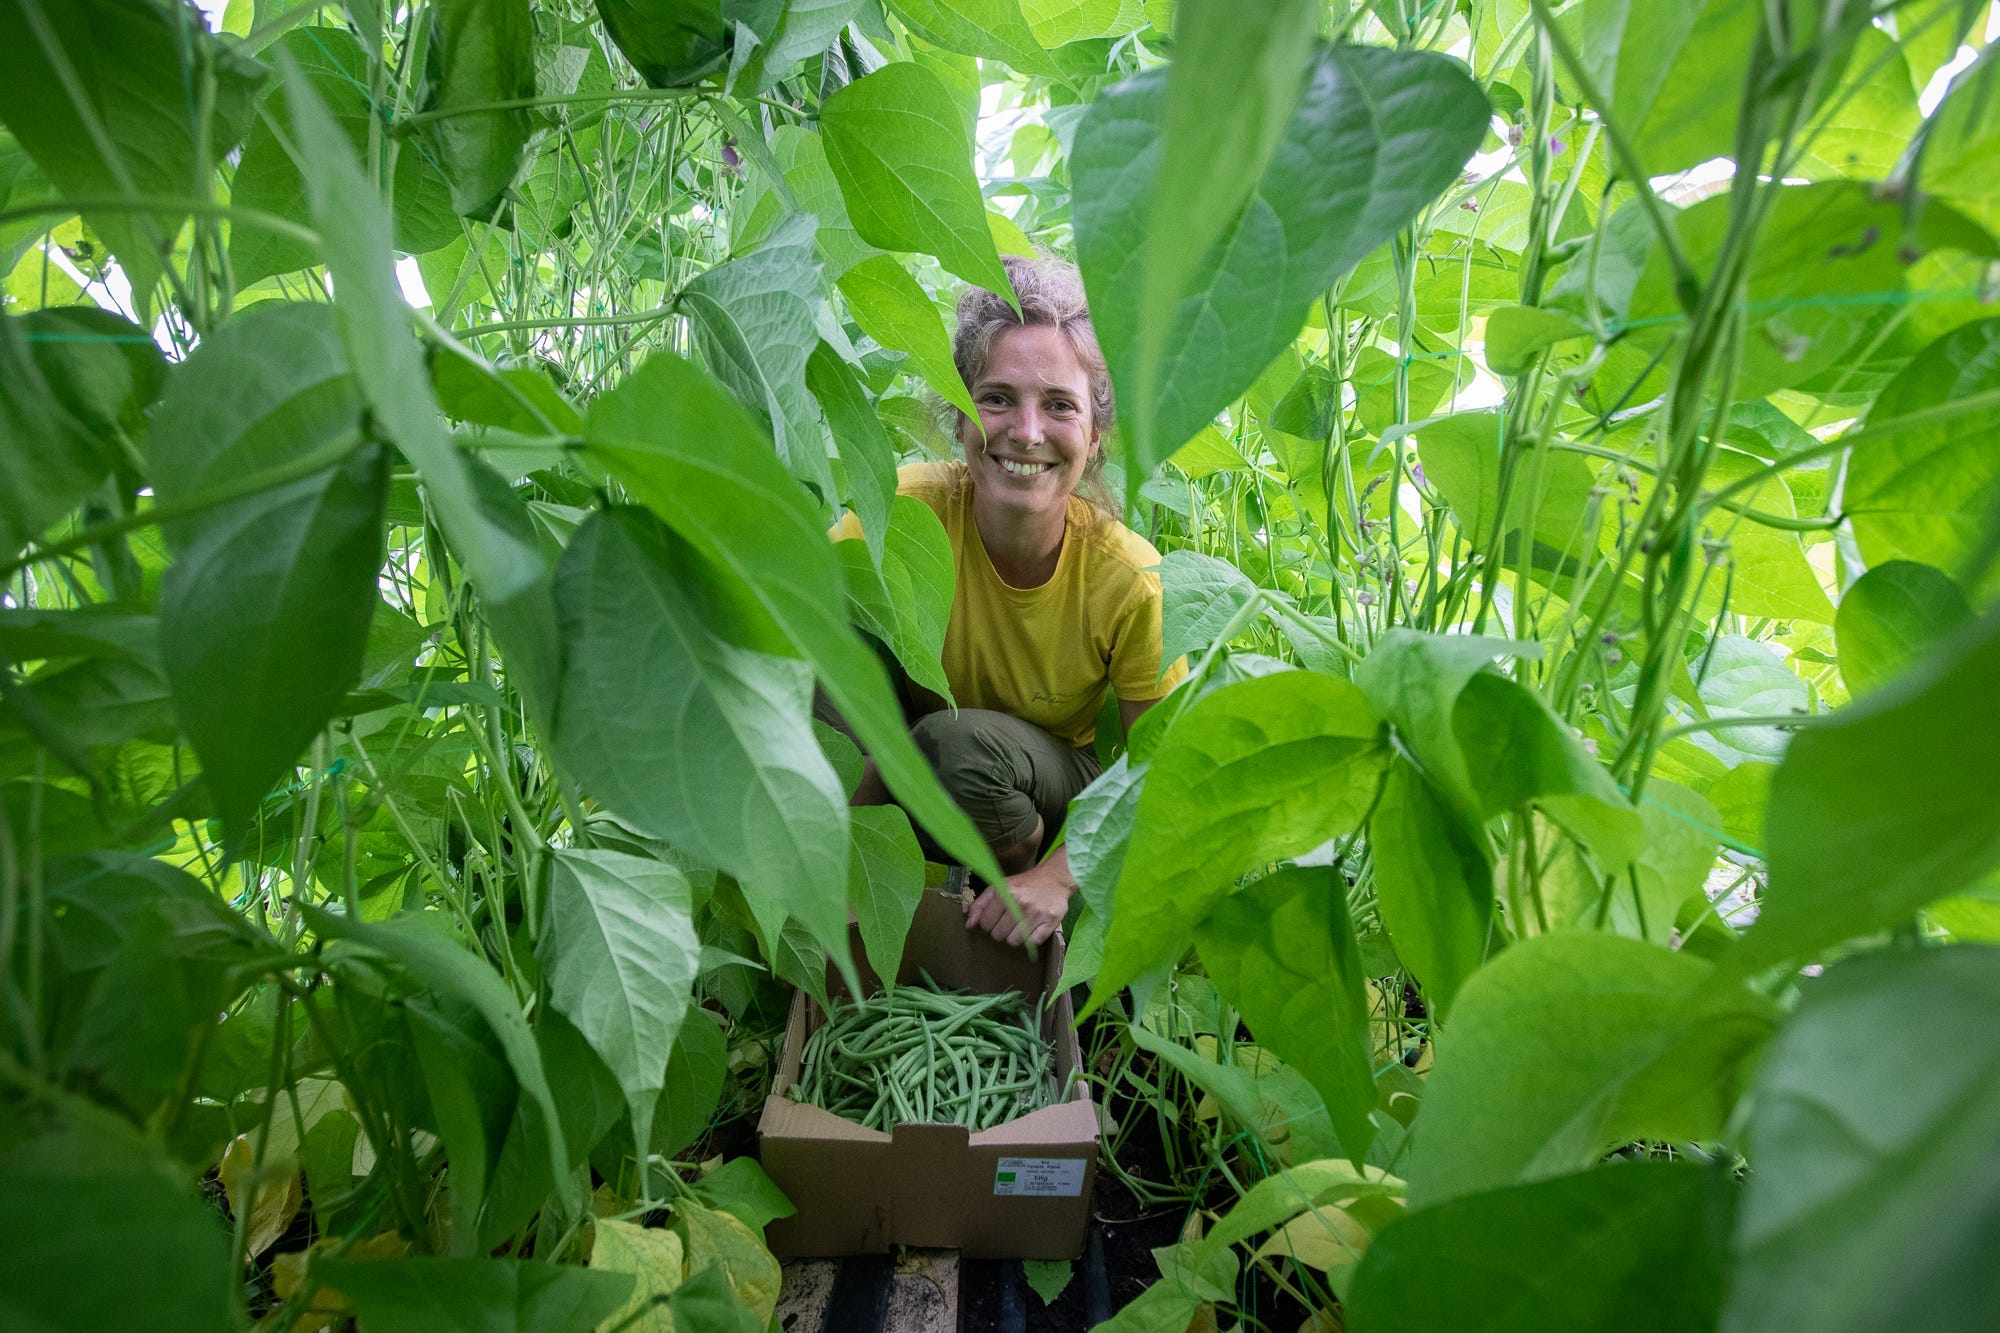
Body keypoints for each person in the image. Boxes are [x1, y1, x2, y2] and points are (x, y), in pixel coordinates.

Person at [830, 255, 1187, 949]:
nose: (1026, 431)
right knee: (821, 656)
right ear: (959, 416)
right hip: (904, 761)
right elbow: (802, 658)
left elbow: (1162, 771)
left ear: (1094, 434)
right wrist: (842, 852)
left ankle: (1008, 898)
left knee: (957, 749)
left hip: (1039, 786)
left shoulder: (1127, 578)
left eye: (1059, 404)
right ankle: (861, 888)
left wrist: (1061, 873)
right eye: (996, 398)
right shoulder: (901, 513)